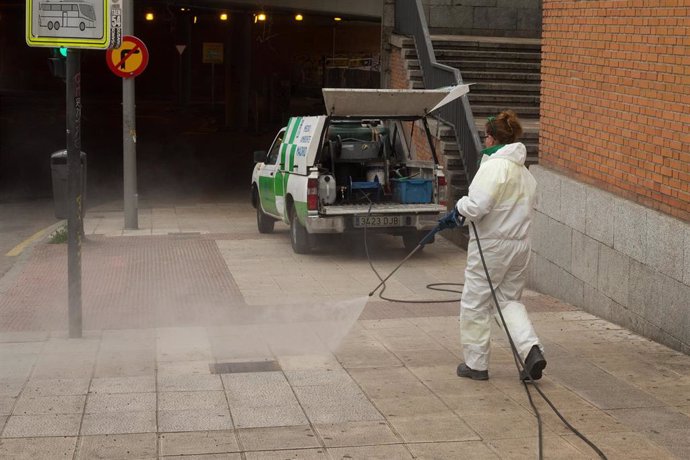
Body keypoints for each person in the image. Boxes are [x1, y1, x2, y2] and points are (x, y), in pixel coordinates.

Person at [439, 110, 546, 381]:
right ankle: (531, 350)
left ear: (492, 138)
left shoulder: (494, 167)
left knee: (475, 302)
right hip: (520, 246)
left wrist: (459, 207)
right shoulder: (524, 173)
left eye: (485, 136)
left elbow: (477, 206)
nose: (484, 141)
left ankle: (476, 365)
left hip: (492, 246)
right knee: (508, 301)